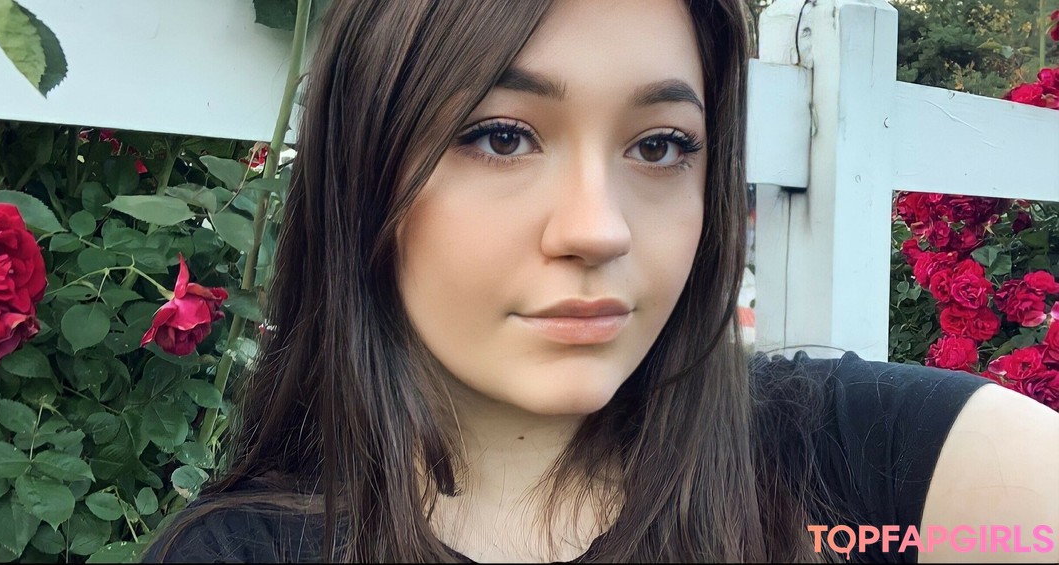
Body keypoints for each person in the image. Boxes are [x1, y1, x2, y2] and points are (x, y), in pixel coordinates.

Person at [141, 0, 1059, 562]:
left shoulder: (860, 468)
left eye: (659, 147)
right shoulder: (239, 554)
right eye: (501, 135)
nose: (598, 228)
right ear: (364, 169)